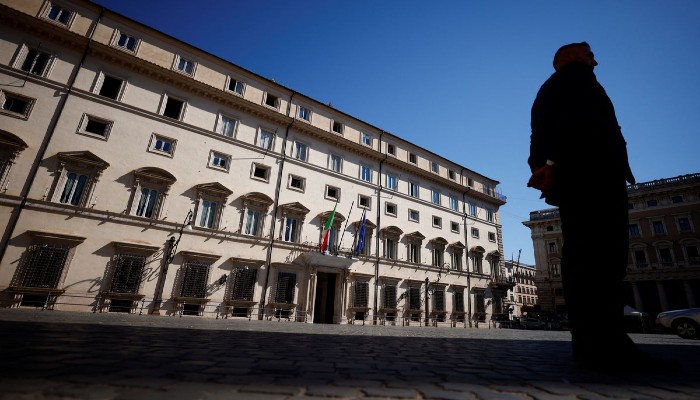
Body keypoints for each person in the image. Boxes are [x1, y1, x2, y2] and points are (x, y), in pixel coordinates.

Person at [528, 42, 672, 371]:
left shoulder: (552, 87)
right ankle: (606, 346)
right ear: (571, 58)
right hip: (592, 172)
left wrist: (543, 164)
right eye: (589, 54)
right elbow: (572, 125)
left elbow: (542, 131)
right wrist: (547, 163)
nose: (596, 60)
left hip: (581, 173)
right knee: (602, 258)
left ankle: (594, 344)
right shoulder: (574, 79)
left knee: (588, 258)